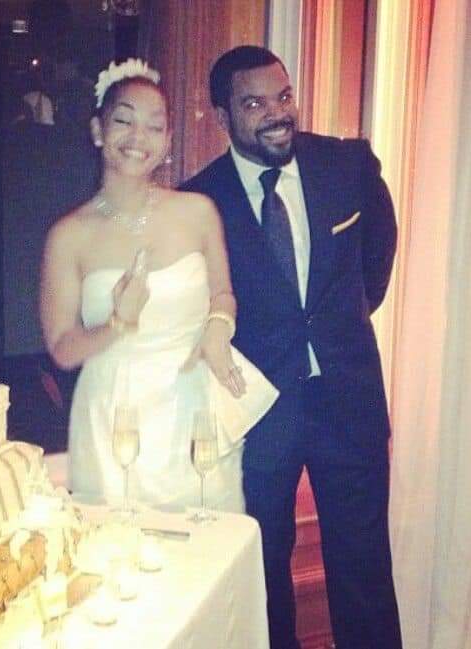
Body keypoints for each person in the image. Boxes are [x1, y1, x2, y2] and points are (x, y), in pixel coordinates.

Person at [181, 46, 402, 649]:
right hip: (259, 412)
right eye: (254, 104)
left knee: (364, 567)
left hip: (348, 399)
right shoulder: (198, 202)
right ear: (222, 117)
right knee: (263, 570)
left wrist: (342, 324)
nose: (277, 113)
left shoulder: (347, 165)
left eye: (283, 96)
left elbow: (378, 252)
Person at [40, 59, 277, 511]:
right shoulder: (68, 236)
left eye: (154, 126)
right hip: (115, 418)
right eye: (124, 121)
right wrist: (117, 323)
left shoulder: (198, 211)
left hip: (194, 411)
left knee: (208, 539)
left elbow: (223, 294)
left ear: (167, 141)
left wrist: (218, 327)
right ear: (98, 130)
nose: (138, 137)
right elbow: (63, 350)